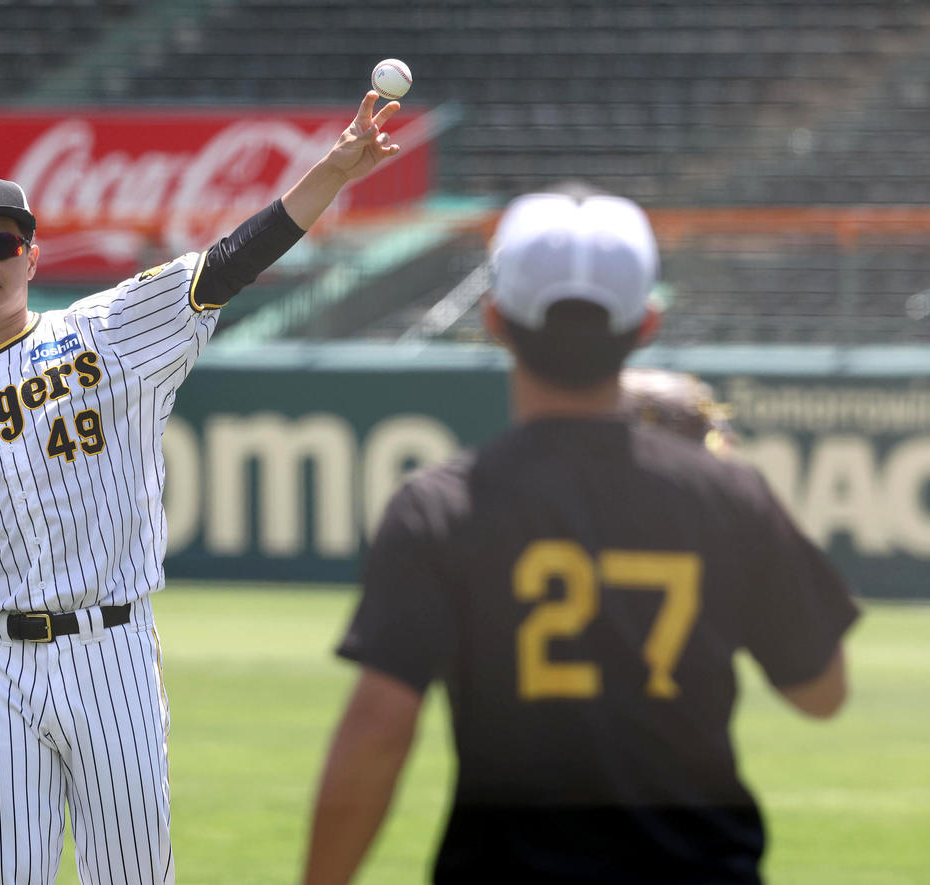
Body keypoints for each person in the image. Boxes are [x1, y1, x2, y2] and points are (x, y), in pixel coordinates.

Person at [0, 90, 402, 884]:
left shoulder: (108, 329)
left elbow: (232, 259)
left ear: (32, 254)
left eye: (2, 242)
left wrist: (335, 171)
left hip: (114, 653)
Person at [302, 185, 859, 884]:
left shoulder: (439, 507)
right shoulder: (728, 495)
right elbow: (822, 692)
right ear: (647, 323)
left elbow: (380, 729)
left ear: (496, 320)